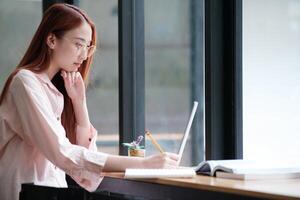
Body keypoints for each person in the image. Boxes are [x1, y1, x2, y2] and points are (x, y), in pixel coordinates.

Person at [0, 3, 179, 200]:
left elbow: (84, 157)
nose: (84, 56)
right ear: (51, 39)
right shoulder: (25, 82)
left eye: (88, 47)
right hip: (24, 193)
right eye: (78, 44)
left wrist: (79, 103)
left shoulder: (56, 91)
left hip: (53, 192)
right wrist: (143, 164)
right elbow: (64, 153)